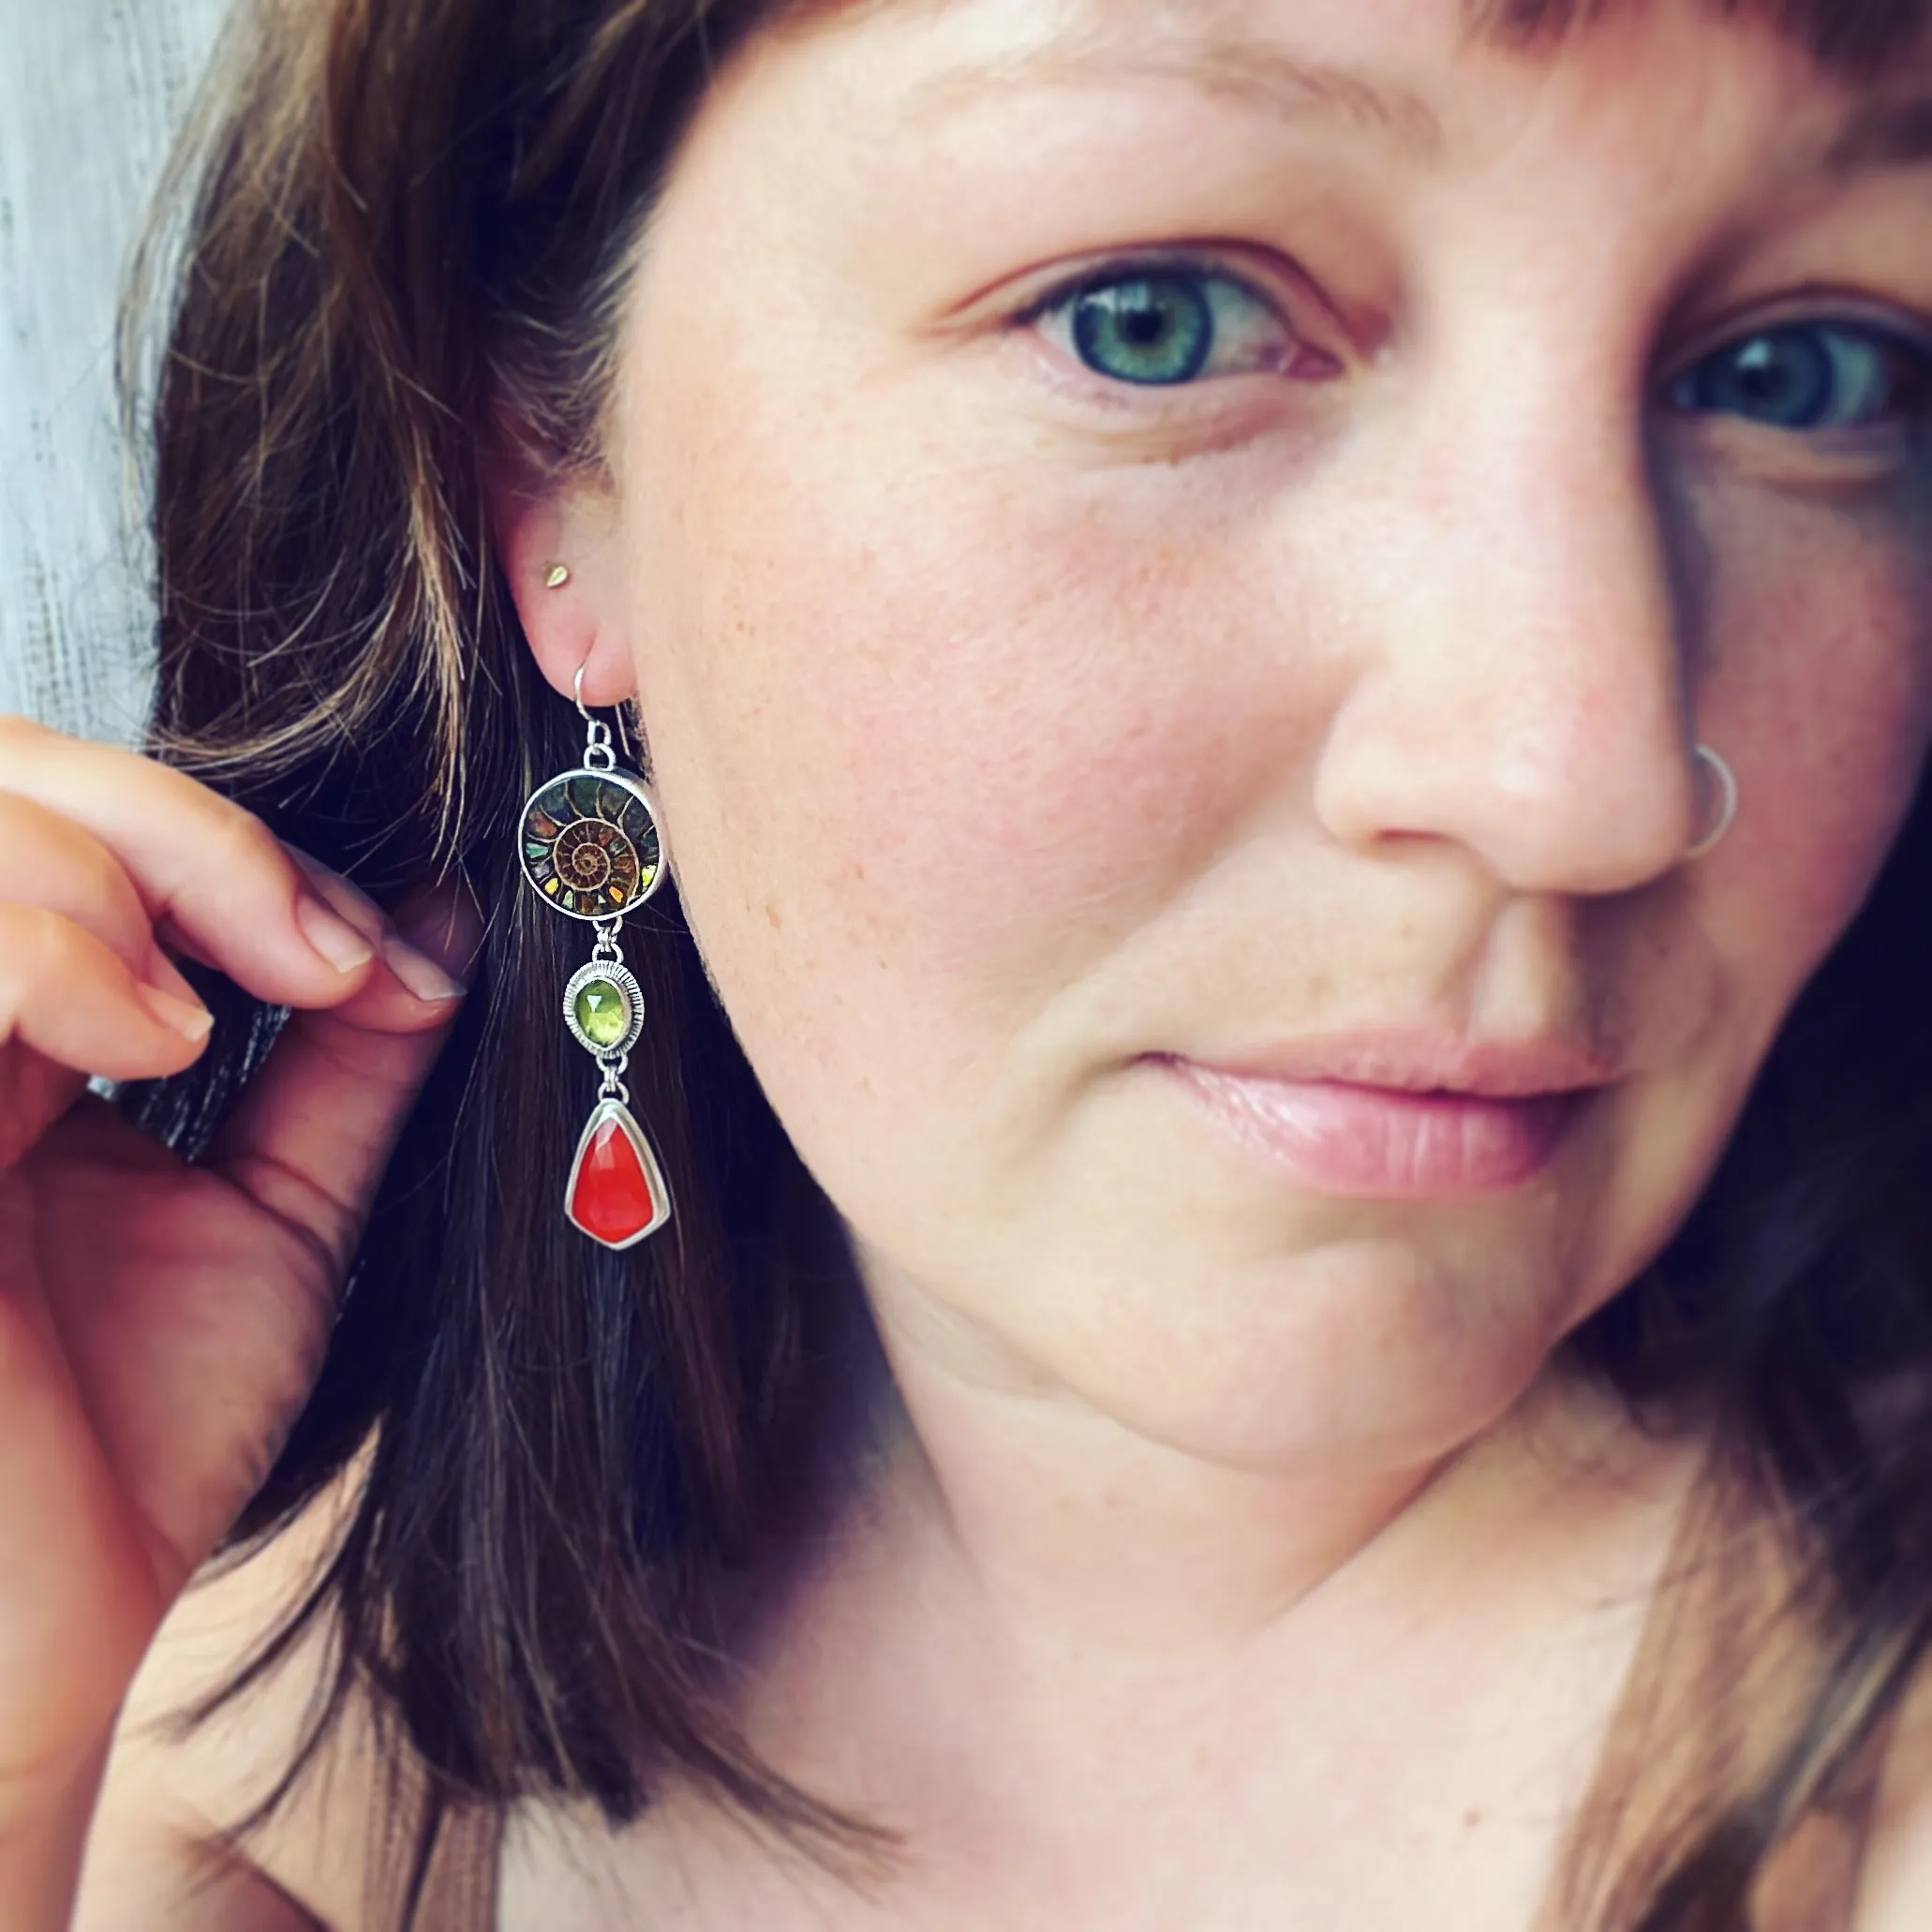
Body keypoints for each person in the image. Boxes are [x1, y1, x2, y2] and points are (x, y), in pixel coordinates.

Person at [7, 0, 1932, 1923]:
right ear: (544, 471)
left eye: (1806, 370)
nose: (1582, 779)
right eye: (1148, 316)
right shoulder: (274, 1725)